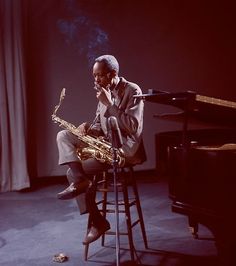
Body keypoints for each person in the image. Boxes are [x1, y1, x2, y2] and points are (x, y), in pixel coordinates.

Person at [56, 54, 146, 245]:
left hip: (126, 151)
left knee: (73, 176)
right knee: (64, 137)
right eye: (94, 76)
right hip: (107, 147)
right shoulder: (104, 91)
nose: (96, 80)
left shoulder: (132, 90)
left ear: (113, 73)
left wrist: (110, 104)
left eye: (100, 75)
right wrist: (87, 128)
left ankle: (95, 221)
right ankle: (96, 217)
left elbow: (134, 128)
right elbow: (100, 125)